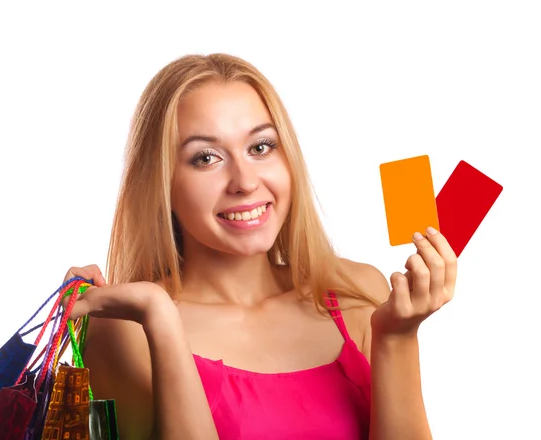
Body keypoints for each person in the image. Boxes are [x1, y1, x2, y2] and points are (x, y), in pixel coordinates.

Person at [63, 53, 457, 440]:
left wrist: (398, 336)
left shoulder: (357, 293)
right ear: (161, 185)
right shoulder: (126, 329)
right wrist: (160, 317)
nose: (245, 182)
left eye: (260, 147)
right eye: (206, 157)